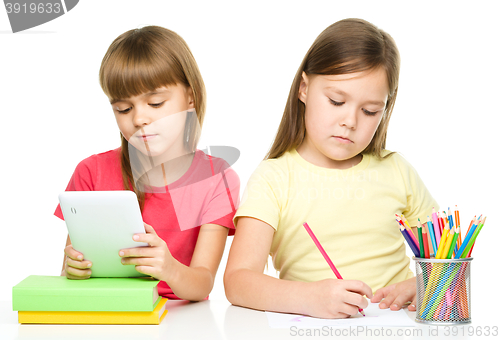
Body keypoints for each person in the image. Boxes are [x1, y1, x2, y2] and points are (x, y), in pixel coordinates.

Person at [224, 18, 437, 318]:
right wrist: (309, 297)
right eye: (337, 101)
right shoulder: (273, 179)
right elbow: (237, 282)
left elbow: (449, 256)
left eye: (369, 111)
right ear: (303, 89)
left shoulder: (398, 171)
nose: (350, 121)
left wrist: (424, 283)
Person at [55, 26, 239, 301]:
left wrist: (169, 268)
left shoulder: (216, 178)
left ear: (190, 97)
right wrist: (73, 268)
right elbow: (70, 272)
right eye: (123, 109)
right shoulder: (91, 173)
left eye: (155, 103)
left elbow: (202, 284)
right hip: (108, 313)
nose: (139, 119)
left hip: (181, 322)